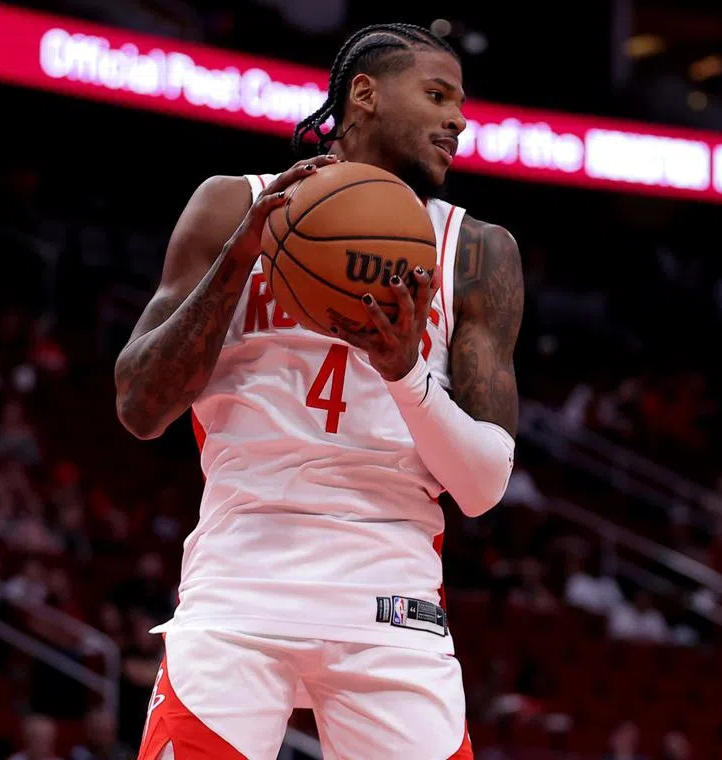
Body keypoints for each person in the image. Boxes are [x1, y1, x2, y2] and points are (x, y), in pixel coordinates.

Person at [114, 22, 523, 760]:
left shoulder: (478, 249)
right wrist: (237, 265)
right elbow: (141, 408)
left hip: (391, 606)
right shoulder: (231, 205)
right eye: (437, 95)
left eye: (460, 104)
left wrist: (405, 372)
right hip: (240, 588)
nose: (458, 120)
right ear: (363, 94)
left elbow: (485, 485)